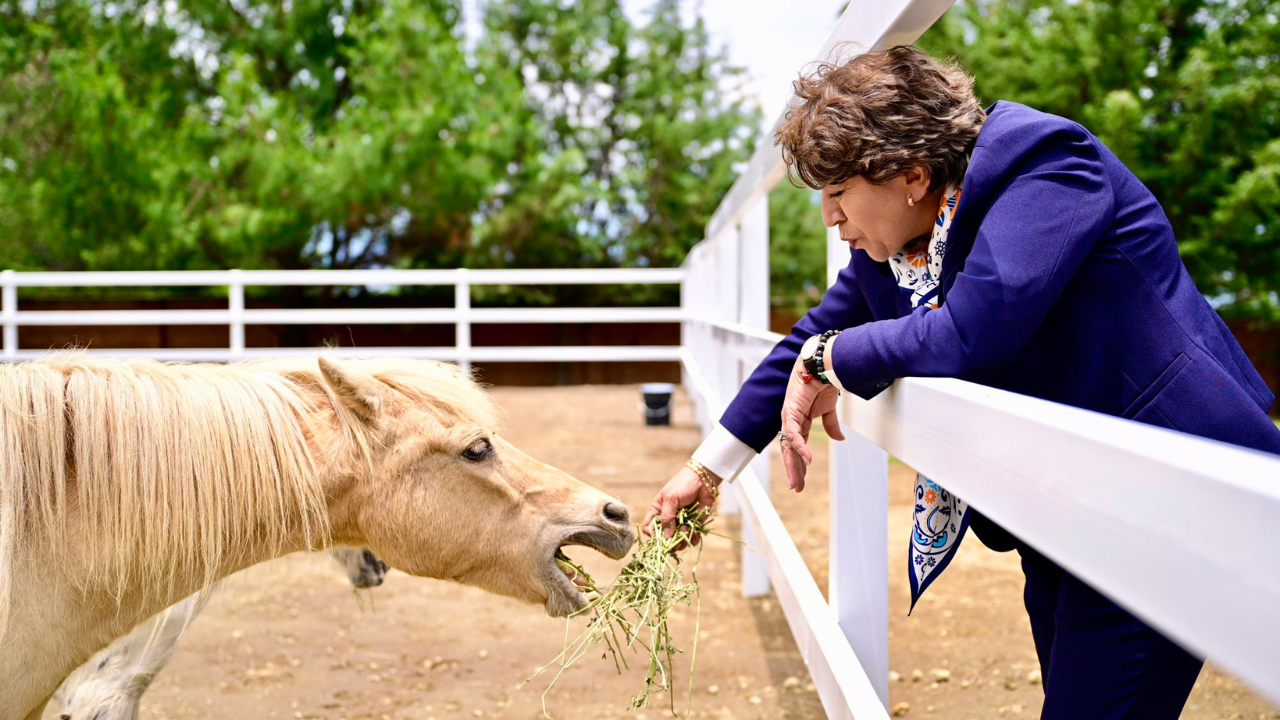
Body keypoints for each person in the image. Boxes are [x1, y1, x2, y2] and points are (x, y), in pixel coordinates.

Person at [643, 45, 1280, 720]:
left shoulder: (1050, 166)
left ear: (910, 174)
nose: (831, 220)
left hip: (1165, 498)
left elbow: (971, 333)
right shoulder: (904, 249)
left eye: (838, 194)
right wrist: (707, 472)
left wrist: (834, 359)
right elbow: (805, 342)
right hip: (1059, 509)